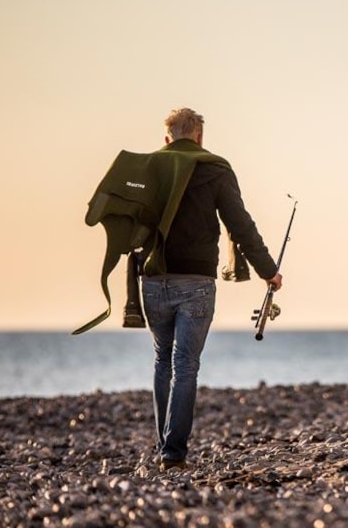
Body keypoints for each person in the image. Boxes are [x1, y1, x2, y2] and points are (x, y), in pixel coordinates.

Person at [142, 108, 282, 471]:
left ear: (167, 138)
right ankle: (173, 455)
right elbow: (241, 225)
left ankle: (165, 446)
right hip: (197, 282)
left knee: (162, 360)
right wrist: (269, 271)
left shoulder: (149, 168)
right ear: (200, 137)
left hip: (153, 279)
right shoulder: (216, 168)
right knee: (185, 365)